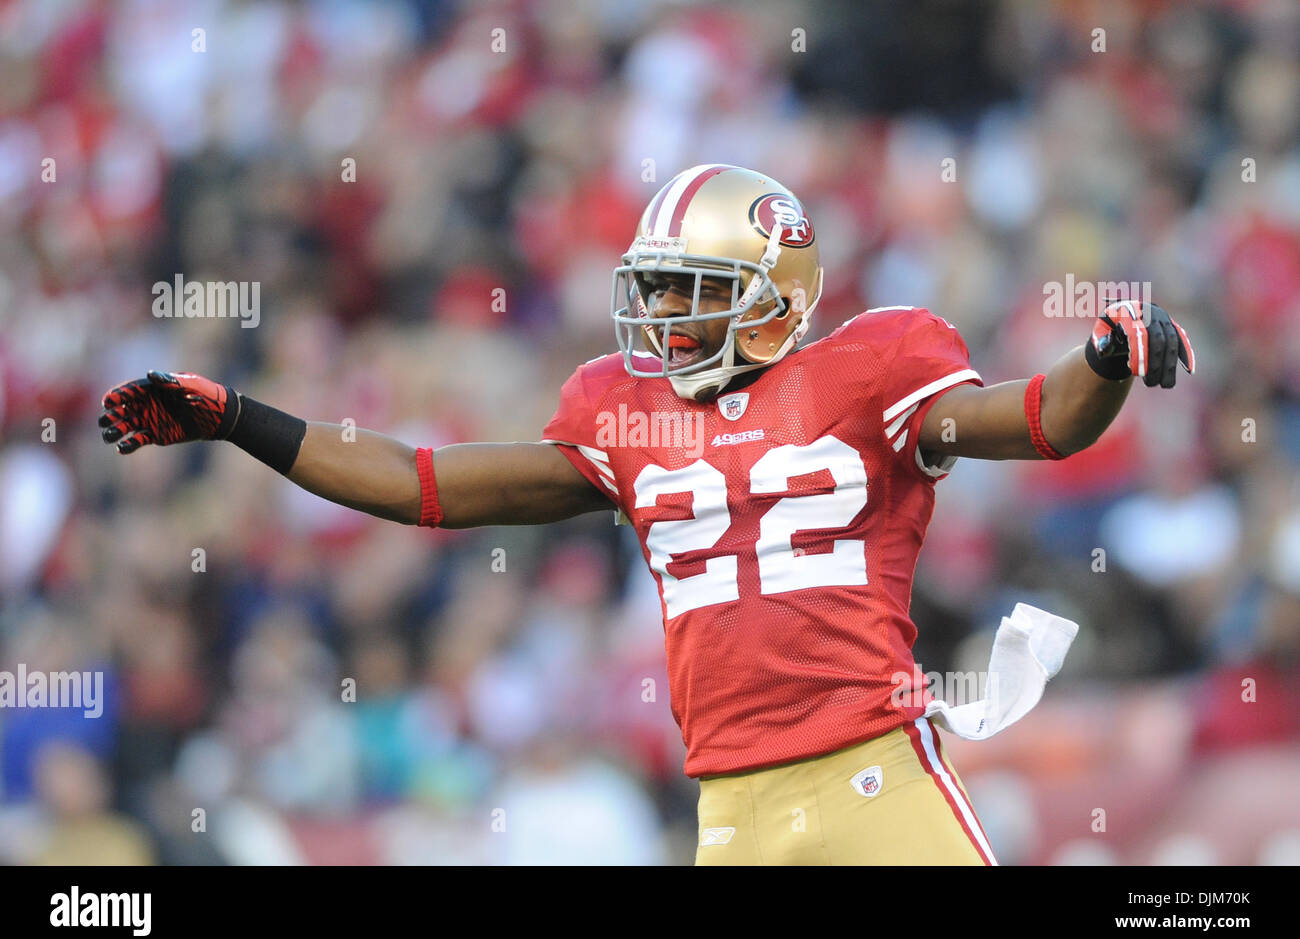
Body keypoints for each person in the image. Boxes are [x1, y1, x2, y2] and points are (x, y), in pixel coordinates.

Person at [100, 164, 1194, 865]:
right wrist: (242, 417)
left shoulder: (872, 367)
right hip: (728, 809)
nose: (661, 313)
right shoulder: (620, 415)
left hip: (875, 777)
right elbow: (421, 482)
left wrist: (1102, 356)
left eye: (688, 287)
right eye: (654, 287)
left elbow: (1040, 420)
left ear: (775, 290)